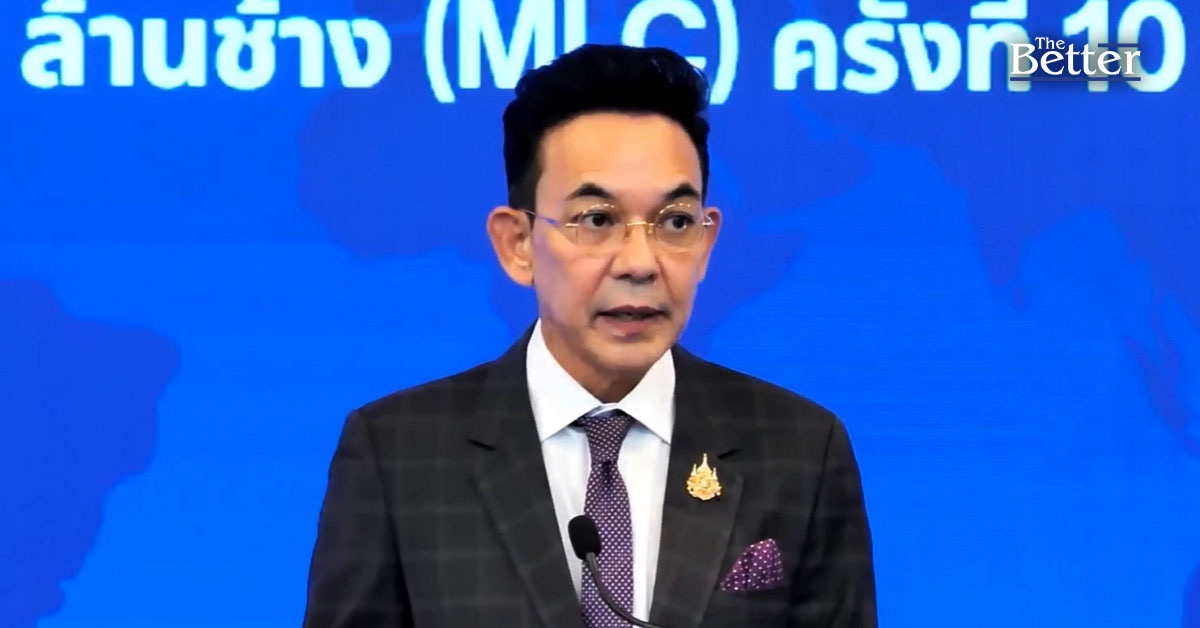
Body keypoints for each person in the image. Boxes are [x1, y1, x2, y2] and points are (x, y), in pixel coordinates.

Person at [302, 43, 877, 628]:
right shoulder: (400, 455)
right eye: (597, 220)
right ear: (517, 244)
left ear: (706, 244)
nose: (640, 262)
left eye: (675, 222)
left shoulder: (800, 450)